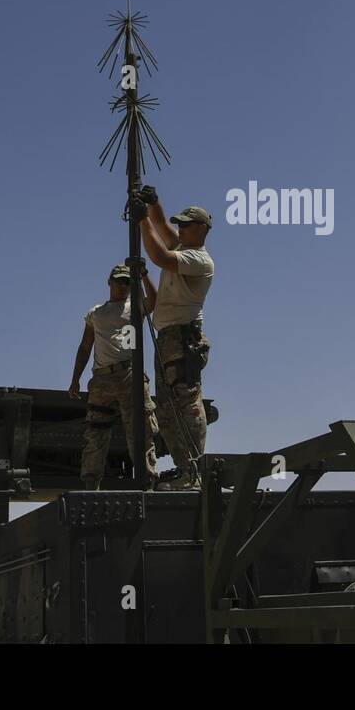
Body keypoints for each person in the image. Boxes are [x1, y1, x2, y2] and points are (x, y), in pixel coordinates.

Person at [134, 186, 214, 491]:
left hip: (182, 338)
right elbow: (165, 231)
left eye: (185, 225)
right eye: (179, 224)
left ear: (201, 229)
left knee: (187, 404)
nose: (179, 229)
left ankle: (196, 469)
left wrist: (143, 221)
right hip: (168, 338)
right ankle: (186, 469)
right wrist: (154, 205)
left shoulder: (199, 260)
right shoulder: (184, 246)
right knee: (166, 410)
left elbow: (159, 256)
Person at [69, 263, 159, 489]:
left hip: (129, 373)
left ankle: (147, 480)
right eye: (118, 280)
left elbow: (155, 299)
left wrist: (144, 276)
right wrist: (75, 378)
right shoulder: (96, 313)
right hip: (101, 379)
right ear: (109, 282)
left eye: (127, 282)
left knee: (140, 431)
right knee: (95, 433)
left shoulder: (135, 306)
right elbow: (85, 346)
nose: (122, 285)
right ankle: (91, 484)